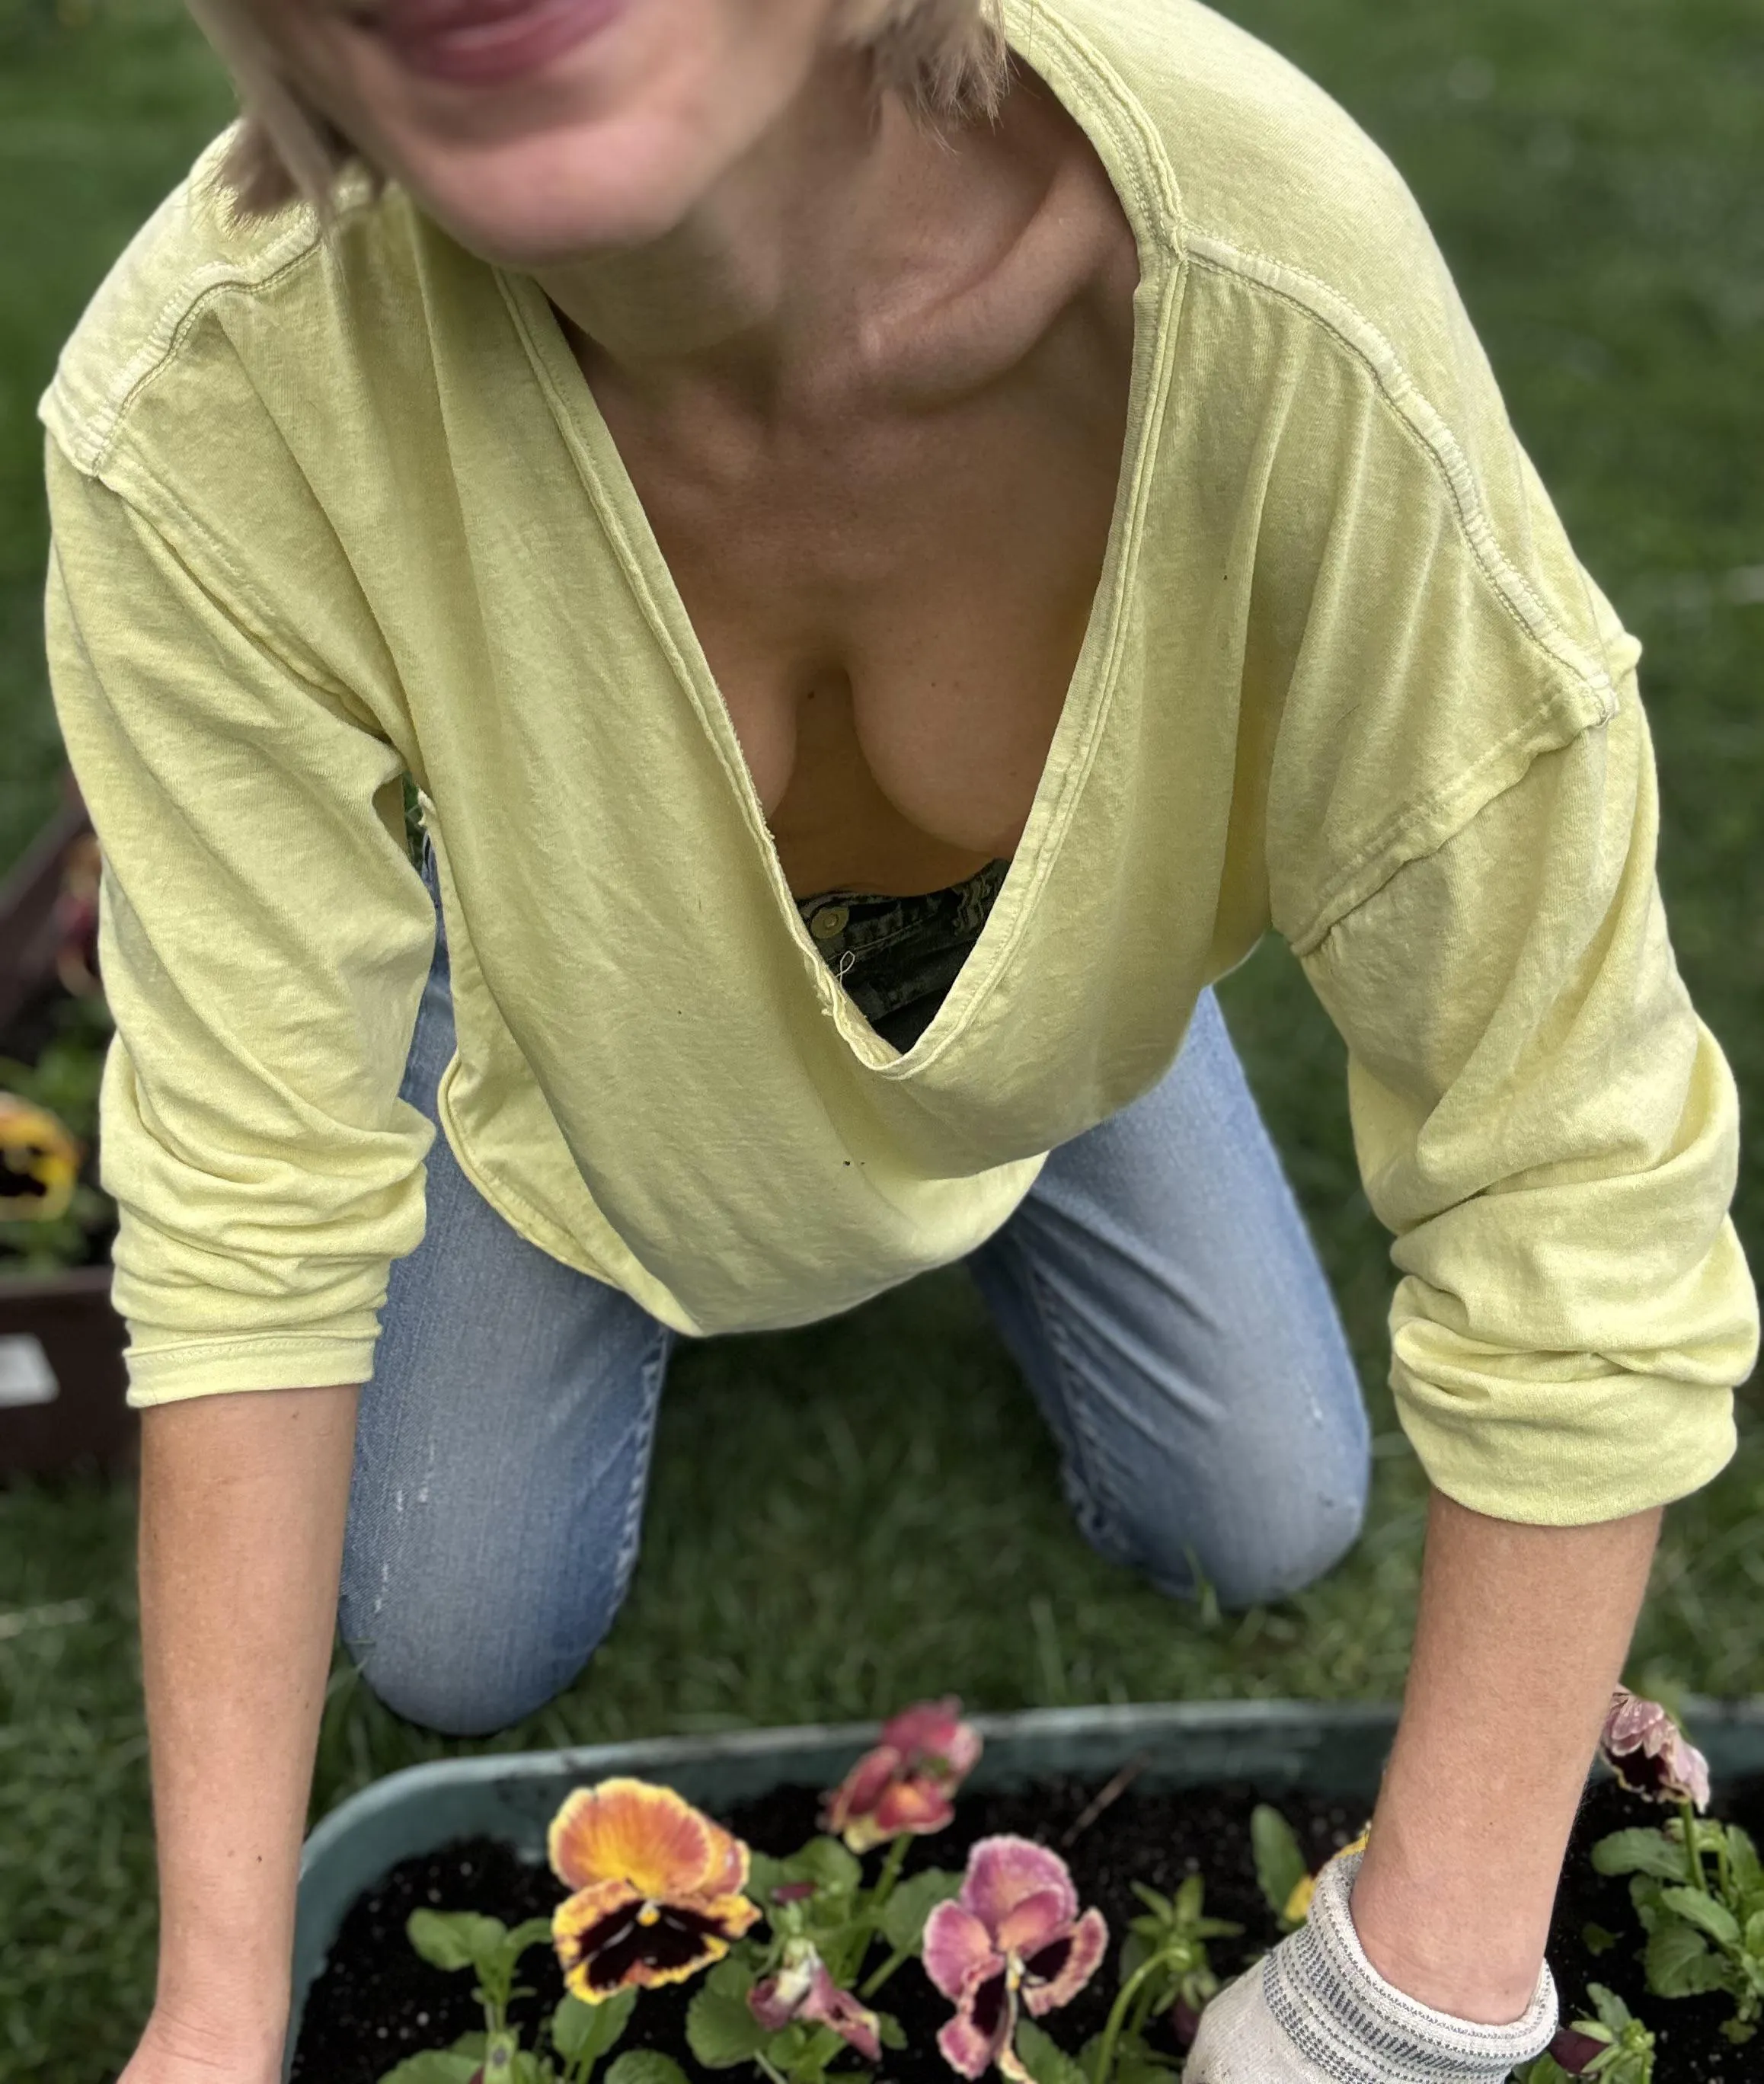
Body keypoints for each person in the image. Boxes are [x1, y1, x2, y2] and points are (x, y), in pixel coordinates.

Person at [38, 0, 1756, 2077]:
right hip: (581, 1073)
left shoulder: (1254, 279)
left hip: (1033, 1054)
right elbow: (245, 1214)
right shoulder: (212, 395)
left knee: (1266, 1516)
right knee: (451, 1642)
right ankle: (508, 1011)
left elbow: (1566, 1154)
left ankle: (1036, 1012)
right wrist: (216, 2010)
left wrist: (1415, 1998)